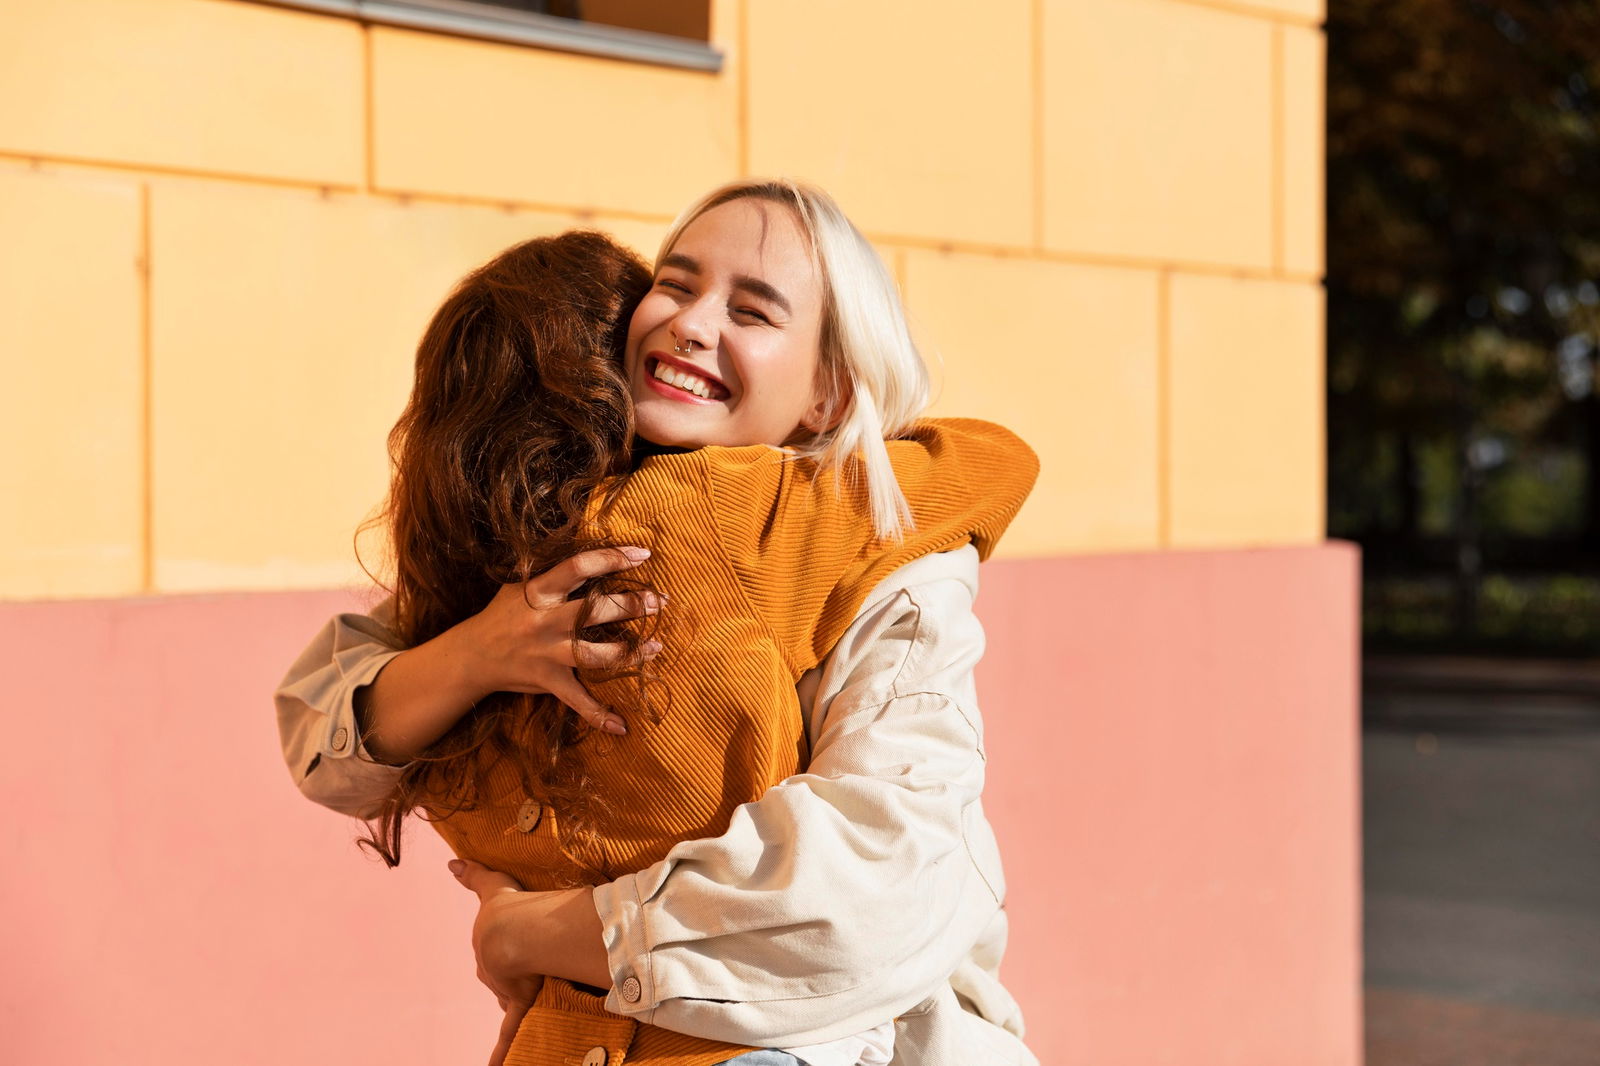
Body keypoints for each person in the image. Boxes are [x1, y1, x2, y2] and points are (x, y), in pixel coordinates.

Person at [277, 180, 1038, 1066]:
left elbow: (875, 887)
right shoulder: (571, 526)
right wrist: (479, 653)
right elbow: (321, 734)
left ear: (827, 396)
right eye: (675, 285)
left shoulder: (878, 551)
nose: (691, 323)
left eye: (752, 311)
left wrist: (531, 933)